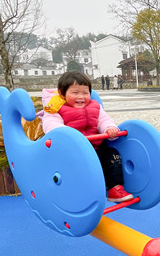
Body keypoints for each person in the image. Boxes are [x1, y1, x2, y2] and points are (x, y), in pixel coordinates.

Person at [41, 71, 133, 202]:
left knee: (112, 155)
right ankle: (78, 194)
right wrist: (65, 134)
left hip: (95, 147)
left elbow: (103, 120)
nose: (81, 97)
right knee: (75, 169)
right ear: (62, 93)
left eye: (85, 93)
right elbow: (51, 124)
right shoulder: (55, 109)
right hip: (73, 151)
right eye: (75, 92)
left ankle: (114, 188)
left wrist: (109, 128)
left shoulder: (95, 106)